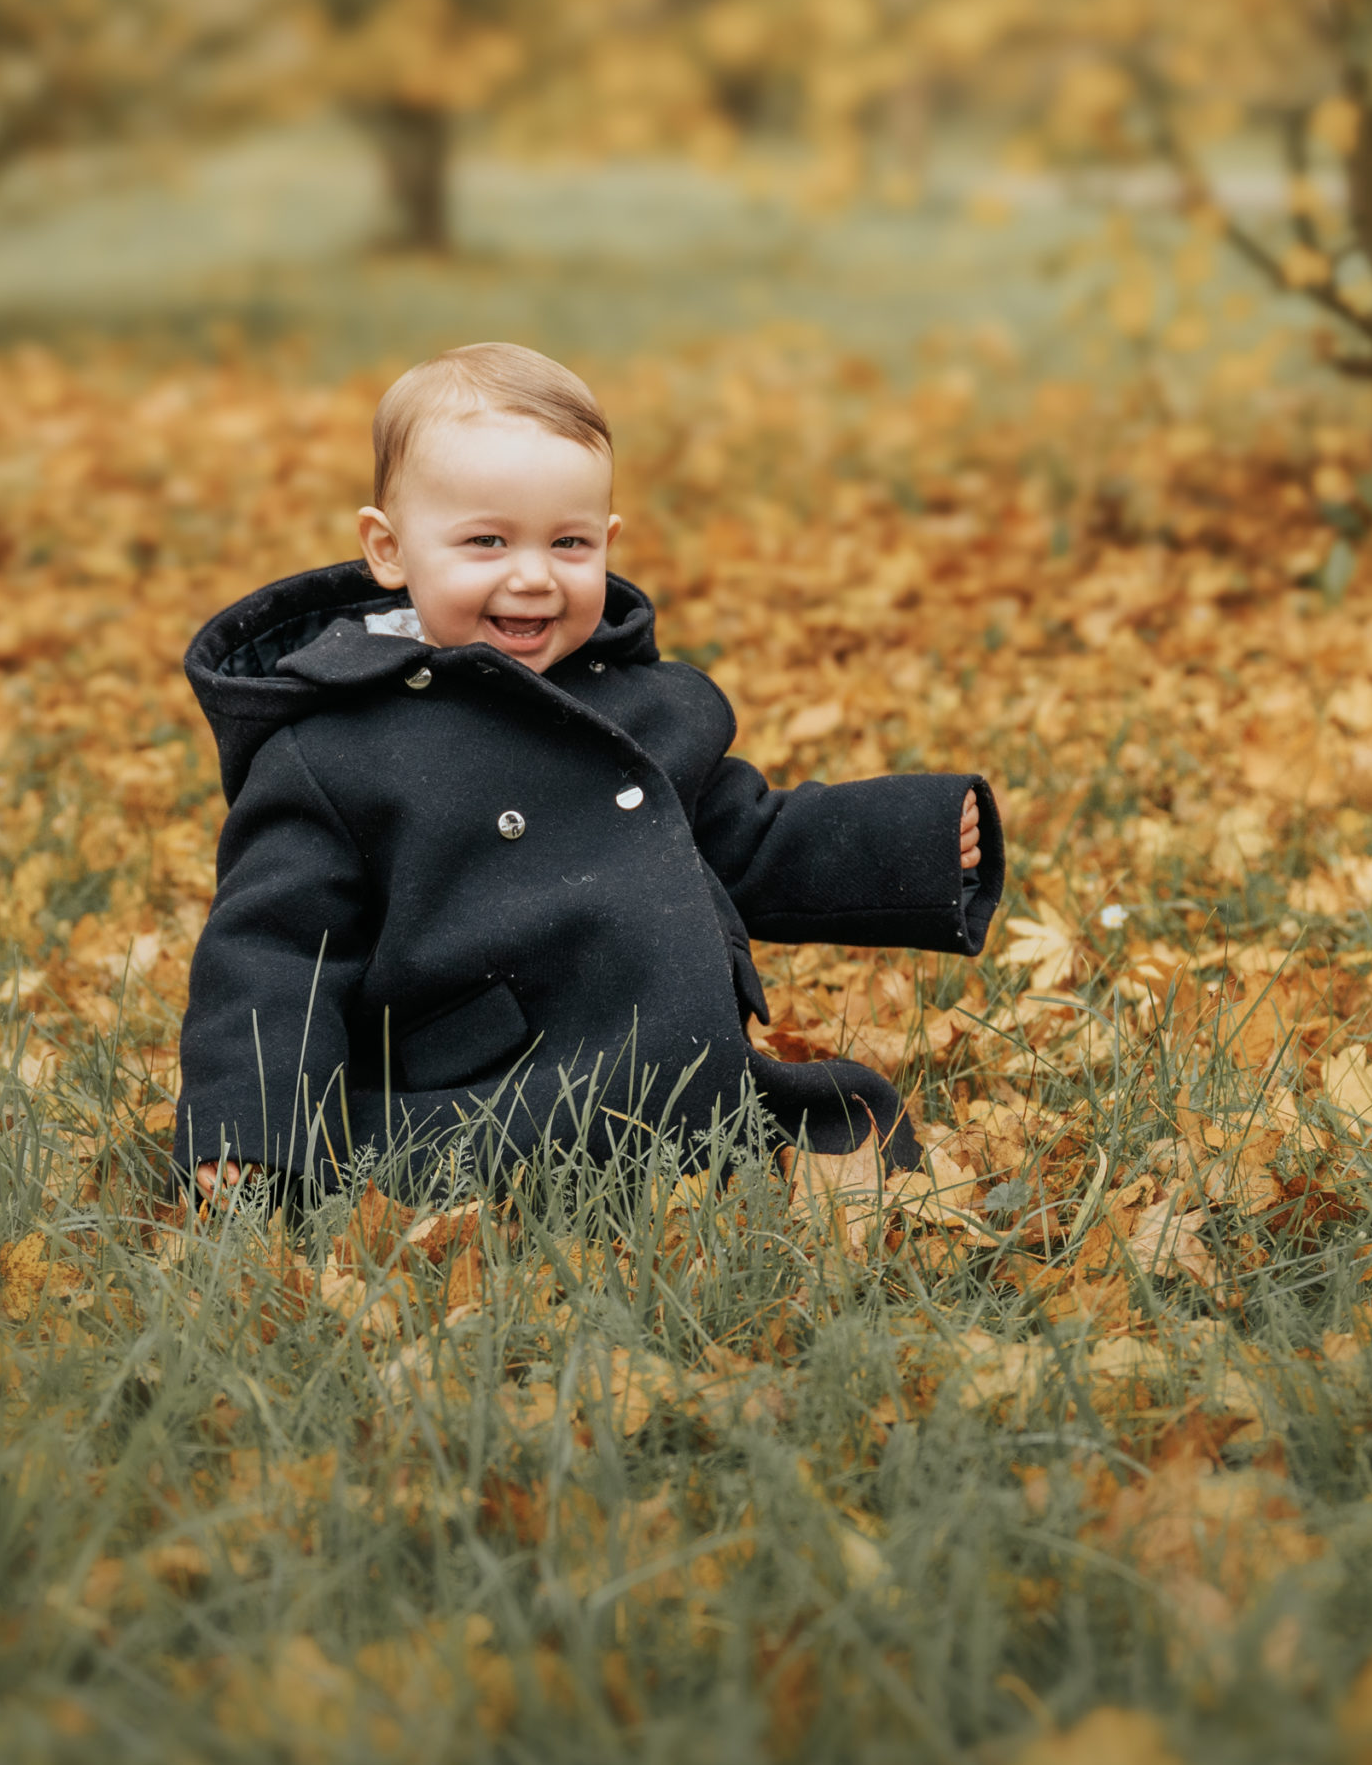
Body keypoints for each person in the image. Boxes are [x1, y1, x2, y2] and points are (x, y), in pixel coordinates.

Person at [173, 342, 1003, 1199]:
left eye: (568, 543)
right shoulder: (334, 748)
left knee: (851, 1131)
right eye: (486, 541)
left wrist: (917, 838)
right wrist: (250, 1128)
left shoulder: (635, 710)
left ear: (607, 543)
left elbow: (742, 837)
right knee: (450, 1177)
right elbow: (273, 954)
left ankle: (706, 1156)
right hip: (481, 1101)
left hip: (685, 1076)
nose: (532, 576)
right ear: (390, 550)